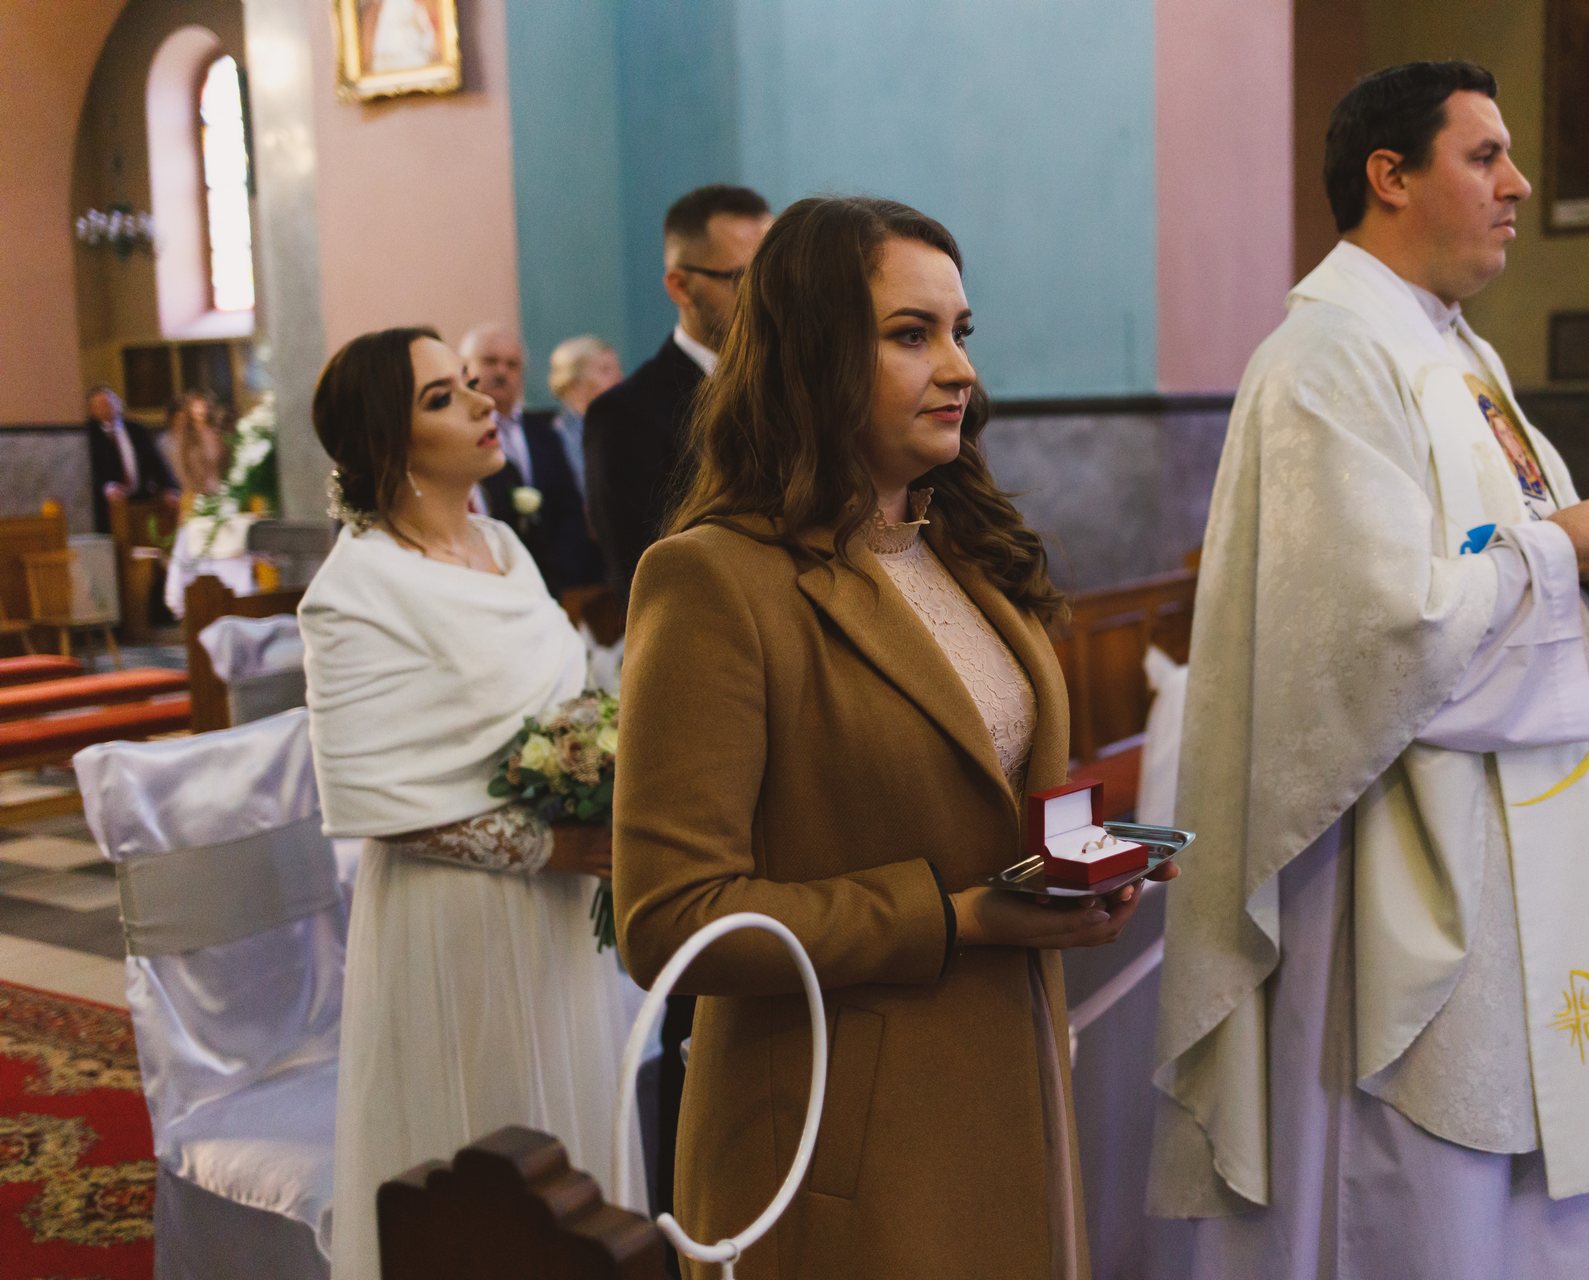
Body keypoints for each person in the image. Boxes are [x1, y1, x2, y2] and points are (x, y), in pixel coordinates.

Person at [1147, 62, 1589, 1280]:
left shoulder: (1460, 358)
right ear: (1391, 176)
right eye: (1485, 156)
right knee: (1423, 1211)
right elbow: (1367, 634)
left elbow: (1512, 571)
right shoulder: (1324, 359)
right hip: (1396, 869)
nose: (1518, 183)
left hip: (1523, 847)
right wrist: (1559, 552)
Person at [613, 195, 1172, 1280]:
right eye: (911, 334)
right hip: (843, 1130)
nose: (958, 368)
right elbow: (671, 920)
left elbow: (989, 791)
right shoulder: (715, 579)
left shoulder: (958, 547)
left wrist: (1076, 873)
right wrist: (956, 916)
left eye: (961, 331)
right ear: (812, 356)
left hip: (1008, 1076)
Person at [299, 327, 640, 1280]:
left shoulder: (503, 545)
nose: (486, 402)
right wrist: (550, 848)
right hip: (455, 924)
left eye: (467, 383)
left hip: (559, 921)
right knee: (481, 1168)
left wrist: (600, 770)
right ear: (388, 443)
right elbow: (375, 798)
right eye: (443, 396)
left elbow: (565, 700)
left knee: (574, 1154)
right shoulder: (354, 588)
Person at [584, 185, 771, 604]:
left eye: (773, 277)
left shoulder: (796, 388)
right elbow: (642, 578)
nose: (765, 298)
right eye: (742, 279)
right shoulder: (624, 416)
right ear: (680, 287)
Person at [462, 323, 601, 594]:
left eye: (512, 365)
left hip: (554, 582)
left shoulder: (546, 429)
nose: (502, 372)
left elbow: (568, 506)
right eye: (490, 361)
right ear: (466, 368)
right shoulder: (462, 435)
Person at [83, 384, 177, 533]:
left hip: (140, 500)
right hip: (109, 508)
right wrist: (108, 488)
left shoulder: (136, 430)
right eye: (100, 405)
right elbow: (89, 470)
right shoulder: (88, 435)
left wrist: (167, 488)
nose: (107, 408)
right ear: (92, 410)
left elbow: (156, 462)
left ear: (119, 403)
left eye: (110, 402)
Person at [546, 335, 622, 503]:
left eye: (618, 369)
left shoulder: (626, 430)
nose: (619, 378)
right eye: (605, 370)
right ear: (575, 384)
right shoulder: (556, 437)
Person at [160, 390, 229, 507]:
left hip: (216, 492)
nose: (199, 410)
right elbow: (180, 469)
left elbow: (221, 466)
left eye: (202, 406)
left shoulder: (215, 435)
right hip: (192, 495)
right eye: (195, 406)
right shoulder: (182, 438)